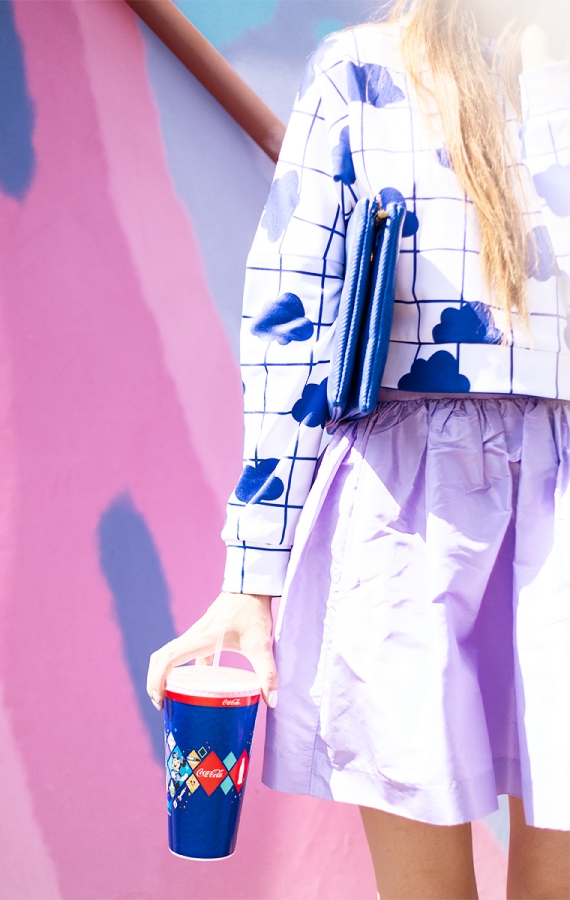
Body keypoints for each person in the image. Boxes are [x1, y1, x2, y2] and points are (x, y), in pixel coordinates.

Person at [148, 0, 570, 896]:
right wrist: (249, 579)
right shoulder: (365, 71)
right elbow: (294, 331)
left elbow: (292, 332)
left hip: (425, 511)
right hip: (406, 514)